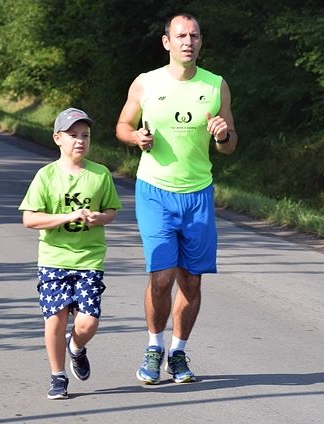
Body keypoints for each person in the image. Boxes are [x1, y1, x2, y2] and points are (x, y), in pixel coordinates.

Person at [116, 13, 237, 384]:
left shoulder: (216, 86)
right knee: (162, 275)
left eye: (195, 35)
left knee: (192, 280)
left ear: (201, 41)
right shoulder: (146, 83)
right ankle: (154, 346)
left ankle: (178, 353)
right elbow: (121, 126)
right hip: (154, 191)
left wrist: (221, 135)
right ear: (166, 42)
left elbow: (230, 145)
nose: (188, 41)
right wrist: (136, 137)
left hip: (198, 194)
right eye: (181, 35)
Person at [20, 108, 122, 400]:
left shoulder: (100, 174)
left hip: (90, 259)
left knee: (88, 322)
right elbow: (30, 219)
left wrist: (98, 218)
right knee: (56, 318)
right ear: (58, 139)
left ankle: (76, 348)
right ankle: (58, 376)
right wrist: (66, 218)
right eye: (73, 135)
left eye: (85, 136)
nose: (80, 141)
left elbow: (112, 212)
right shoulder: (46, 176)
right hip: (54, 259)